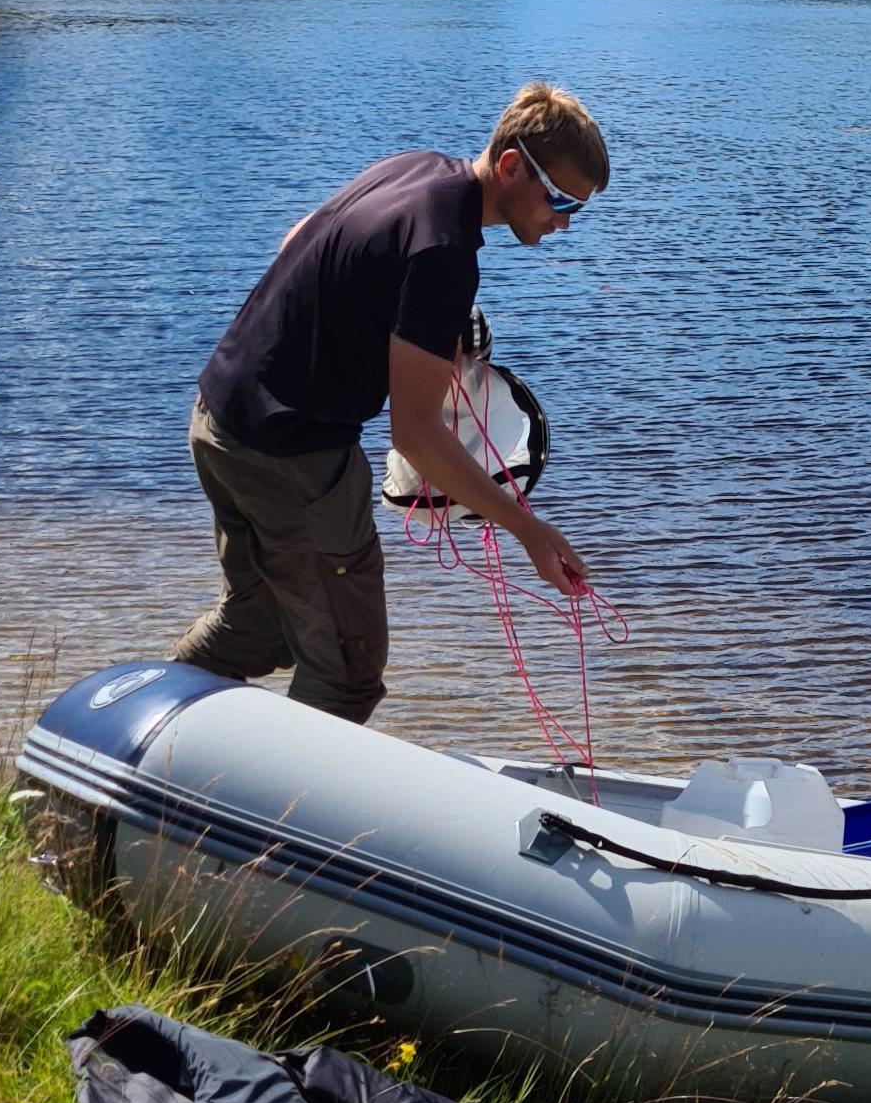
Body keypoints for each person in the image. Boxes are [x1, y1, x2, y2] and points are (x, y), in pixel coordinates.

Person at [175, 79, 609, 724]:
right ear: (514, 166)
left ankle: (134, 747)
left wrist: (412, 327)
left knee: (256, 623)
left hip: (220, 420)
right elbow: (416, 437)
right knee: (346, 675)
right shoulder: (446, 256)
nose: (564, 221)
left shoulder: (415, 170)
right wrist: (530, 531)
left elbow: (302, 238)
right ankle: (275, 823)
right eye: (559, 199)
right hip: (291, 456)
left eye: (580, 209)